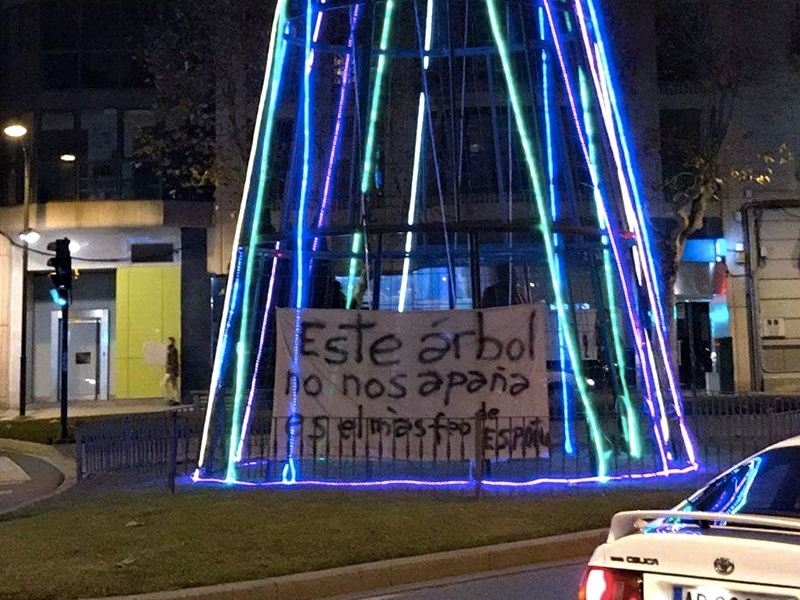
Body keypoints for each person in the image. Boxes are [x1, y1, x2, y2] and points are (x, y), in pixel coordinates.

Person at [164, 337, 180, 406]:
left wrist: (172, 370)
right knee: (173, 384)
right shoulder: (171, 349)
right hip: (171, 370)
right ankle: (174, 398)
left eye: (168, 341)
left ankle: (174, 399)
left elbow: (173, 361)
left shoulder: (172, 350)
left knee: (168, 384)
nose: (167, 342)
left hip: (171, 370)